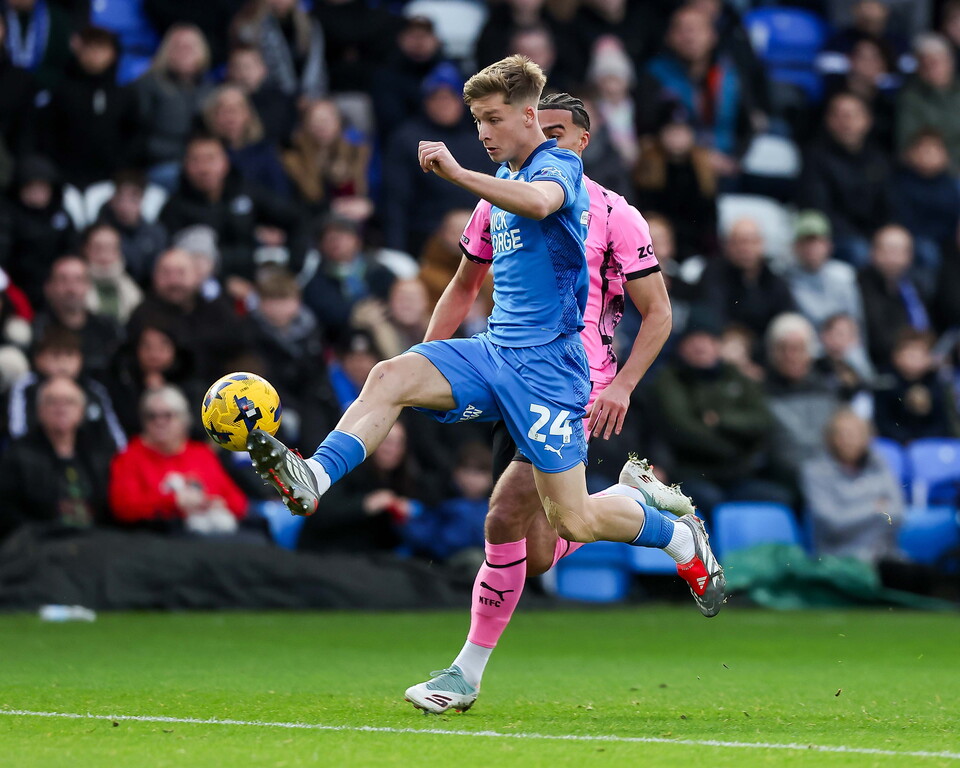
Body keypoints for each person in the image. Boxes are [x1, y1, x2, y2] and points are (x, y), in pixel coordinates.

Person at [245, 60, 725, 709]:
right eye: (481, 123)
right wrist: (430, 357)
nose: (490, 134)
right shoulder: (496, 192)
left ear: (573, 138)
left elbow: (645, 298)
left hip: (563, 381)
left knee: (556, 536)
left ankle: (672, 530)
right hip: (498, 356)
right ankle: (316, 480)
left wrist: (624, 386)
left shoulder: (574, 187)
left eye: (497, 121)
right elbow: (464, 285)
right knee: (391, 376)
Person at [109, 385, 248, 534]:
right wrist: (174, 502)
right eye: (152, 416)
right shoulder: (129, 457)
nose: (159, 422)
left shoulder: (202, 454)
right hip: (158, 539)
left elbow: (239, 503)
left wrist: (215, 502)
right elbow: (123, 507)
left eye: (168, 415)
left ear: (184, 420)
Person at [0, 375, 113, 540]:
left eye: (69, 401)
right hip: (39, 548)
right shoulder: (17, 455)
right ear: (39, 410)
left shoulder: (99, 452)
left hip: (95, 546)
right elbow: (7, 511)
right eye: (52, 401)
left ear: (81, 411)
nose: (61, 408)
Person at [38, 25, 141, 190]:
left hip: (112, 180)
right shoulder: (62, 91)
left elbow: (134, 135)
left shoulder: (125, 95)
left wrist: (121, 168)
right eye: (88, 48)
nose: (94, 55)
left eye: (100, 48)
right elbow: (48, 132)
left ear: (113, 54)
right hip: (65, 180)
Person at [797, 92, 892, 267]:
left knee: (913, 250)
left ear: (867, 120)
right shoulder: (815, 157)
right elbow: (819, 208)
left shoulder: (879, 159)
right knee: (860, 251)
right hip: (835, 237)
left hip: (871, 235)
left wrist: (883, 237)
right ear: (829, 121)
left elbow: (888, 205)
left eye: (852, 115)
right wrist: (865, 239)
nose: (846, 122)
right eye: (839, 115)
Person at [802, 408, 905, 564]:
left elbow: (898, 513)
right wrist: (876, 508)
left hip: (886, 556)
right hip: (840, 560)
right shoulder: (815, 471)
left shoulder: (879, 464)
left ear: (867, 437)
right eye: (841, 434)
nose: (848, 440)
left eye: (855, 433)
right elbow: (834, 523)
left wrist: (852, 512)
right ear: (830, 438)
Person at [134, 24, 214, 191]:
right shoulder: (149, 84)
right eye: (178, 46)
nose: (184, 51)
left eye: (190, 46)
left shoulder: (210, 88)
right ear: (165, 52)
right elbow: (137, 133)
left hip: (203, 163)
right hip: (163, 163)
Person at [32, 255, 122, 379]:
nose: (71, 288)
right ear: (49, 287)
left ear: (88, 286)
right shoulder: (39, 329)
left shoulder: (109, 327)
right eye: (63, 280)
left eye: (78, 280)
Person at [202, 84, 291, 198]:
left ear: (248, 114)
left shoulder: (265, 151)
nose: (230, 116)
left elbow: (280, 196)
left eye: (236, 109)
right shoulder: (202, 152)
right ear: (212, 116)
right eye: (223, 110)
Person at [873, 329, 960, 443]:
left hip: (930, 445)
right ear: (896, 356)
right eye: (910, 353)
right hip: (896, 444)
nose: (914, 358)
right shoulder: (885, 382)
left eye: (919, 353)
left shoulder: (938, 384)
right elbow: (883, 423)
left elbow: (945, 424)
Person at [785, 210, 865, 333]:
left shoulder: (845, 275)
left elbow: (856, 322)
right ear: (795, 247)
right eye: (805, 242)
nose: (811, 248)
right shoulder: (786, 279)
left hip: (843, 344)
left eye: (817, 242)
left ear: (829, 245)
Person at [230, 0, 327, 100]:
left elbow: (317, 66)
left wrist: (310, 96)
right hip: (266, 94)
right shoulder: (248, 27)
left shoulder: (310, 25)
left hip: (308, 96)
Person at [94, 169, 169, 289]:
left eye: (133, 198)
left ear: (142, 198)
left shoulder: (156, 233)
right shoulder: (98, 232)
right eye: (120, 197)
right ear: (112, 199)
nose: (125, 205)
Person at [81, 223, 144, 326]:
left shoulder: (134, 293)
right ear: (86, 250)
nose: (104, 255)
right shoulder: (75, 288)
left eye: (110, 248)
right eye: (97, 248)